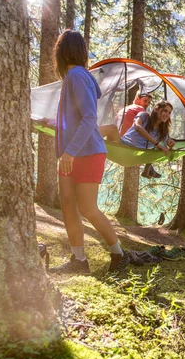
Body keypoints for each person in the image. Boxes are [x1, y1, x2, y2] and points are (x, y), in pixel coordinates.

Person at [49, 30, 129, 274]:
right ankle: (79, 260)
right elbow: (75, 119)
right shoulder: (74, 77)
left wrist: (70, 152)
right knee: (67, 204)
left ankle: (119, 255)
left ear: (62, 52)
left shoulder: (76, 75)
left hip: (85, 152)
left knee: (87, 207)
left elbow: (89, 117)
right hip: (71, 154)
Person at [99, 100, 176, 176]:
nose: (167, 114)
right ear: (156, 109)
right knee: (113, 128)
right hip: (123, 147)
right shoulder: (144, 116)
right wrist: (157, 144)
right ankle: (90, 135)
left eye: (169, 112)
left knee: (158, 150)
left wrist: (171, 143)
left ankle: (148, 168)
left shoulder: (163, 131)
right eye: (165, 111)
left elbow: (166, 146)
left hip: (134, 156)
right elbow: (137, 127)